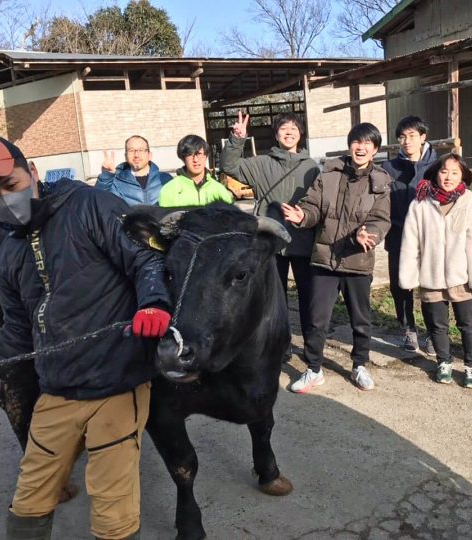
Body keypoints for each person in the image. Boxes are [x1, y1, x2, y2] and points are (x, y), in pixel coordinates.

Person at [0, 133, 172, 539]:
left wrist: (153, 302)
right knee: (29, 498)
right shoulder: (9, 253)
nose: (5, 200)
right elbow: (14, 334)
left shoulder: (92, 205)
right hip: (57, 389)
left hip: (116, 383)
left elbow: (143, 257)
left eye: (11, 186)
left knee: (112, 506)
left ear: (32, 172)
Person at [281, 122, 391, 392]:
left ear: (375, 149)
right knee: (317, 318)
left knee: (360, 319)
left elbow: (381, 218)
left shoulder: (380, 182)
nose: (360, 147)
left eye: (367, 143)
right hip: (324, 258)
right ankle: (314, 368)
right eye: (356, 141)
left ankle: (360, 365)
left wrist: (371, 234)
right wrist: (302, 216)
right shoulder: (328, 174)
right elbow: (313, 206)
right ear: (350, 144)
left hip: (357, 259)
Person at [221, 111, 319, 357]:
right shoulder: (261, 164)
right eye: (283, 128)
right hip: (270, 244)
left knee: (309, 297)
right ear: (276, 134)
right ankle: (280, 344)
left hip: (303, 241)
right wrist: (237, 140)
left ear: (301, 134)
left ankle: (311, 346)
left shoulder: (311, 167)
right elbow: (229, 166)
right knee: (275, 299)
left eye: (294, 128)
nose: (289, 132)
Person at [399, 154, 472, 389]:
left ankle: (471, 367)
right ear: (435, 173)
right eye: (444, 171)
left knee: (467, 323)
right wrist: (409, 275)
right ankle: (444, 362)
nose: (448, 177)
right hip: (431, 276)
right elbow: (411, 242)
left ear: (463, 176)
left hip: (462, 276)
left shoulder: (470, 201)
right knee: (437, 325)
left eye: (454, 172)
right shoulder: (420, 201)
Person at [382, 115, 438, 355]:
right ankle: (408, 330)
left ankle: (434, 333)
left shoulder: (438, 166)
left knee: (431, 285)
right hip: (398, 235)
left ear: (423, 137)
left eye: (412, 136)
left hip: (430, 238)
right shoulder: (388, 169)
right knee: (400, 286)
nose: (407, 141)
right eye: (402, 137)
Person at [158, 135, 233, 208]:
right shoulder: (169, 191)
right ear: (183, 158)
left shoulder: (219, 190)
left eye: (199, 154)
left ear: (206, 156)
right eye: (190, 155)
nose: (195, 160)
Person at [96, 135, 172, 205]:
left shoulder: (165, 179)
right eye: (131, 150)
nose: (136, 155)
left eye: (141, 150)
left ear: (149, 155)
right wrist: (106, 176)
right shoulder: (116, 182)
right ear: (126, 156)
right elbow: (98, 200)